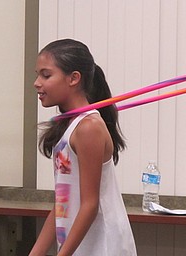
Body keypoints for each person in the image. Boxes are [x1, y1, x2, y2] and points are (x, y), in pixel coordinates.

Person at [29, 39, 137, 256]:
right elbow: (62, 203)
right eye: (38, 75)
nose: (36, 83)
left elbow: (89, 204)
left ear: (74, 78)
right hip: (79, 245)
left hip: (103, 246)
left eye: (46, 75)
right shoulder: (70, 125)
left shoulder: (89, 127)